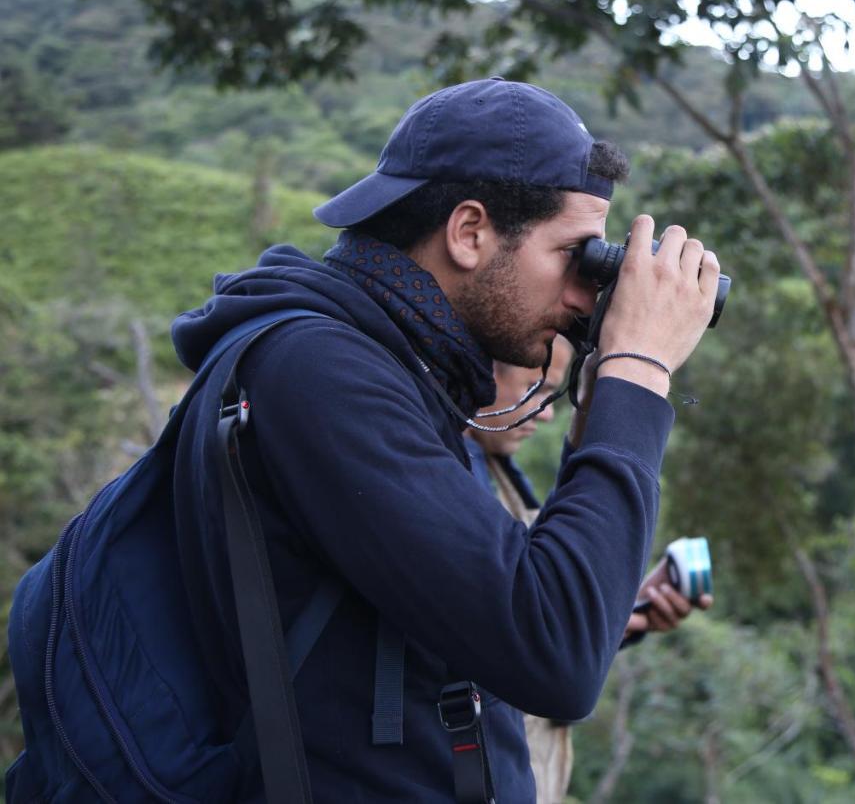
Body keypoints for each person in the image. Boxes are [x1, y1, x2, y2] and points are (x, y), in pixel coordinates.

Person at [168, 77, 719, 802]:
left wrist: (597, 388)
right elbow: (555, 652)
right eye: (575, 254)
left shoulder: (405, 374)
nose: (588, 292)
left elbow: (515, 600)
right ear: (469, 232)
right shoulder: (321, 374)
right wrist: (637, 367)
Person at [465, 336, 713, 802]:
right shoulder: (460, 482)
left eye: (552, 395)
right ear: (481, 369)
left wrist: (623, 609)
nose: (544, 413)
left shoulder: (499, 473)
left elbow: (536, 618)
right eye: (532, 390)